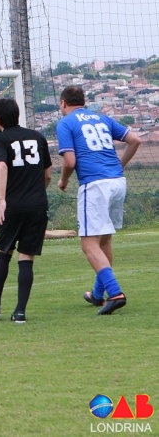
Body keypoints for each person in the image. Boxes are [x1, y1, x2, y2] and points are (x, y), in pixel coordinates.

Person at [56, 85, 141, 315]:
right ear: (83, 101)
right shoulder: (102, 118)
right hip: (117, 182)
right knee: (104, 240)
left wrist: (63, 181)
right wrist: (118, 166)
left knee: (88, 244)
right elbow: (135, 140)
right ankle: (97, 293)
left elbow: (70, 161)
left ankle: (115, 293)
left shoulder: (66, 123)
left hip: (94, 185)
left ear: (63, 103)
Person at [0, 98, 52, 324]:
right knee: (26, 257)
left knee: (4, 251)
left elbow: (1, 166)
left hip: (12, 205)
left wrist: (1, 200)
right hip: (37, 205)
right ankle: (20, 312)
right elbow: (47, 174)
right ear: (18, 115)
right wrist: (36, 194)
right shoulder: (38, 137)